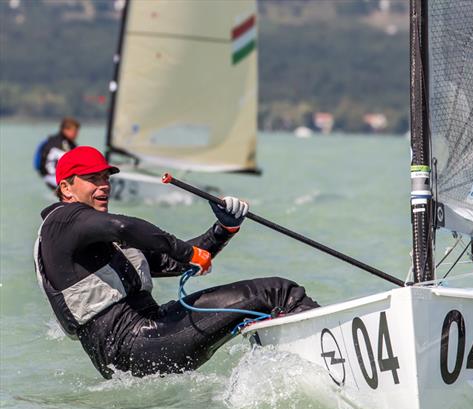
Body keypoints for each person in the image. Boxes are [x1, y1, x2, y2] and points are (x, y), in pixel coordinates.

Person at [34, 146, 318, 378]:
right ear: (66, 188)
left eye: (106, 178)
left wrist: (223, 229)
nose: (104, 185)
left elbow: (176, 262)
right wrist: (186, 252)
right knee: (277, 293)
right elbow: (126, 228)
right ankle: (329, 359)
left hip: (146, 339)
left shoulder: (96, 238)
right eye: (93, 179)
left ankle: (301, 373)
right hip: (133, 344)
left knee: (267, 301)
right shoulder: (61, 221)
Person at [35, 117, 81, 190]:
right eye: (75, 131)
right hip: (51, 176)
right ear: (65, 130)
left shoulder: (70, 144)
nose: (77, 134)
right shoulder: (57, 144)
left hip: (55, 177)